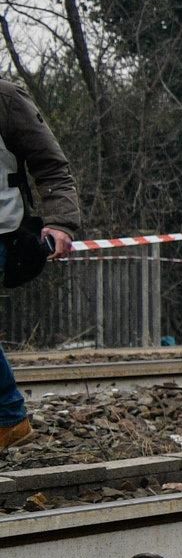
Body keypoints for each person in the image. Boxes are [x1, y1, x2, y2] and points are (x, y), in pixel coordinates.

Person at [0, 75, 88, 454]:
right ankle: (8, 417)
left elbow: (50, 165)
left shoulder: (4, 97)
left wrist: (60, 222)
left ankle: (9, 418)